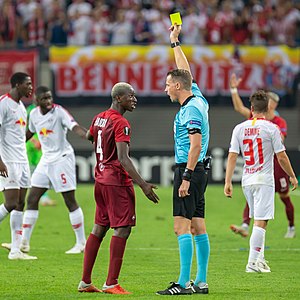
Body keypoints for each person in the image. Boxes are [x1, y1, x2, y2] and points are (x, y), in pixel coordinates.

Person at [77, 82, 159, 294]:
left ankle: (85, 282)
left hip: (100, 179)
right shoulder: (121, 122)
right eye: (130, 96)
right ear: (118, 98)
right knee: (122, 228)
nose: (134, 99)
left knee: (99, 227)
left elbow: (89, 136)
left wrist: (101, 141)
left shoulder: (99, 117)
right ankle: (111, 283)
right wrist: (143, 185)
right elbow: (123, 158)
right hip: (116, 182)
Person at [156, 24, 210, 296]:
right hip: (201, 169)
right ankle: (201, 281)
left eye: (168, 85)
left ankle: (183, 282)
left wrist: (186, 177)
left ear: (177, 87)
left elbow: (196, 144)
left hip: (189, 170)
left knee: (180, 227)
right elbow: (185, 72)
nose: (166, 89)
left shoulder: (190, 111)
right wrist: (174, 42)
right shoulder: (197, 97)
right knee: (197, 224)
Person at [2, 86, 87, 256]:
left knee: (69, 200)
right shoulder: (32, 115)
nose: (49, 101)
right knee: (32, 199)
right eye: (45, 98)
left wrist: (88, 135)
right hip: (46, 160)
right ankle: (24, 243)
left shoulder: (59, 111)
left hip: (62, 159)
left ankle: (81, 242)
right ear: (36, 101)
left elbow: (74, 126)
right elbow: (29, 133)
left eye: (50, 97)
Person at [224, 90, 298, 272]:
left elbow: (232, 156)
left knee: (260, 221)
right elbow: (281, 156)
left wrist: (227, 182)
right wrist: (292, 175)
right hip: (264, 179)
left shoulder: (239, 128)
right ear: (267, 108)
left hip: (246, 180)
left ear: (251, 108)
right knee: (261, 222)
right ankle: (252, 263)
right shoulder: (272, 128)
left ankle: (260, 259)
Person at [229, 73, 296, 238]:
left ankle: (291, 227)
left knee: (284, 195)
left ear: (273, 104)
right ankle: (245, 224)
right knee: (255, 191)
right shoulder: (254, 120)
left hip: (275, 164)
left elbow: (280, 146)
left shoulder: (278, 123)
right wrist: (233, 89)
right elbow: (239, 108)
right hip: (260, 166)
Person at [0, 72, 37, 260]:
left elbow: (20, 138)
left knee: (20, 204)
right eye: (28, 84)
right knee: (11, 202)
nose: (31, 87)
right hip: (8, 161)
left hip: (22, 161)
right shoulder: (3, 104)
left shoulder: (22, 107)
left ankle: (15, 250)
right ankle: (15, 249)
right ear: (16, 85)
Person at [26, 100, 56, 206]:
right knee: (33, 171)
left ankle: (43, 197)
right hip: (32, 146)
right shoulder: (31, 110)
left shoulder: (47, 111)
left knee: (43, 171)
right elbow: (25, 127)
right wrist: (34, 141)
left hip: (41, 145)